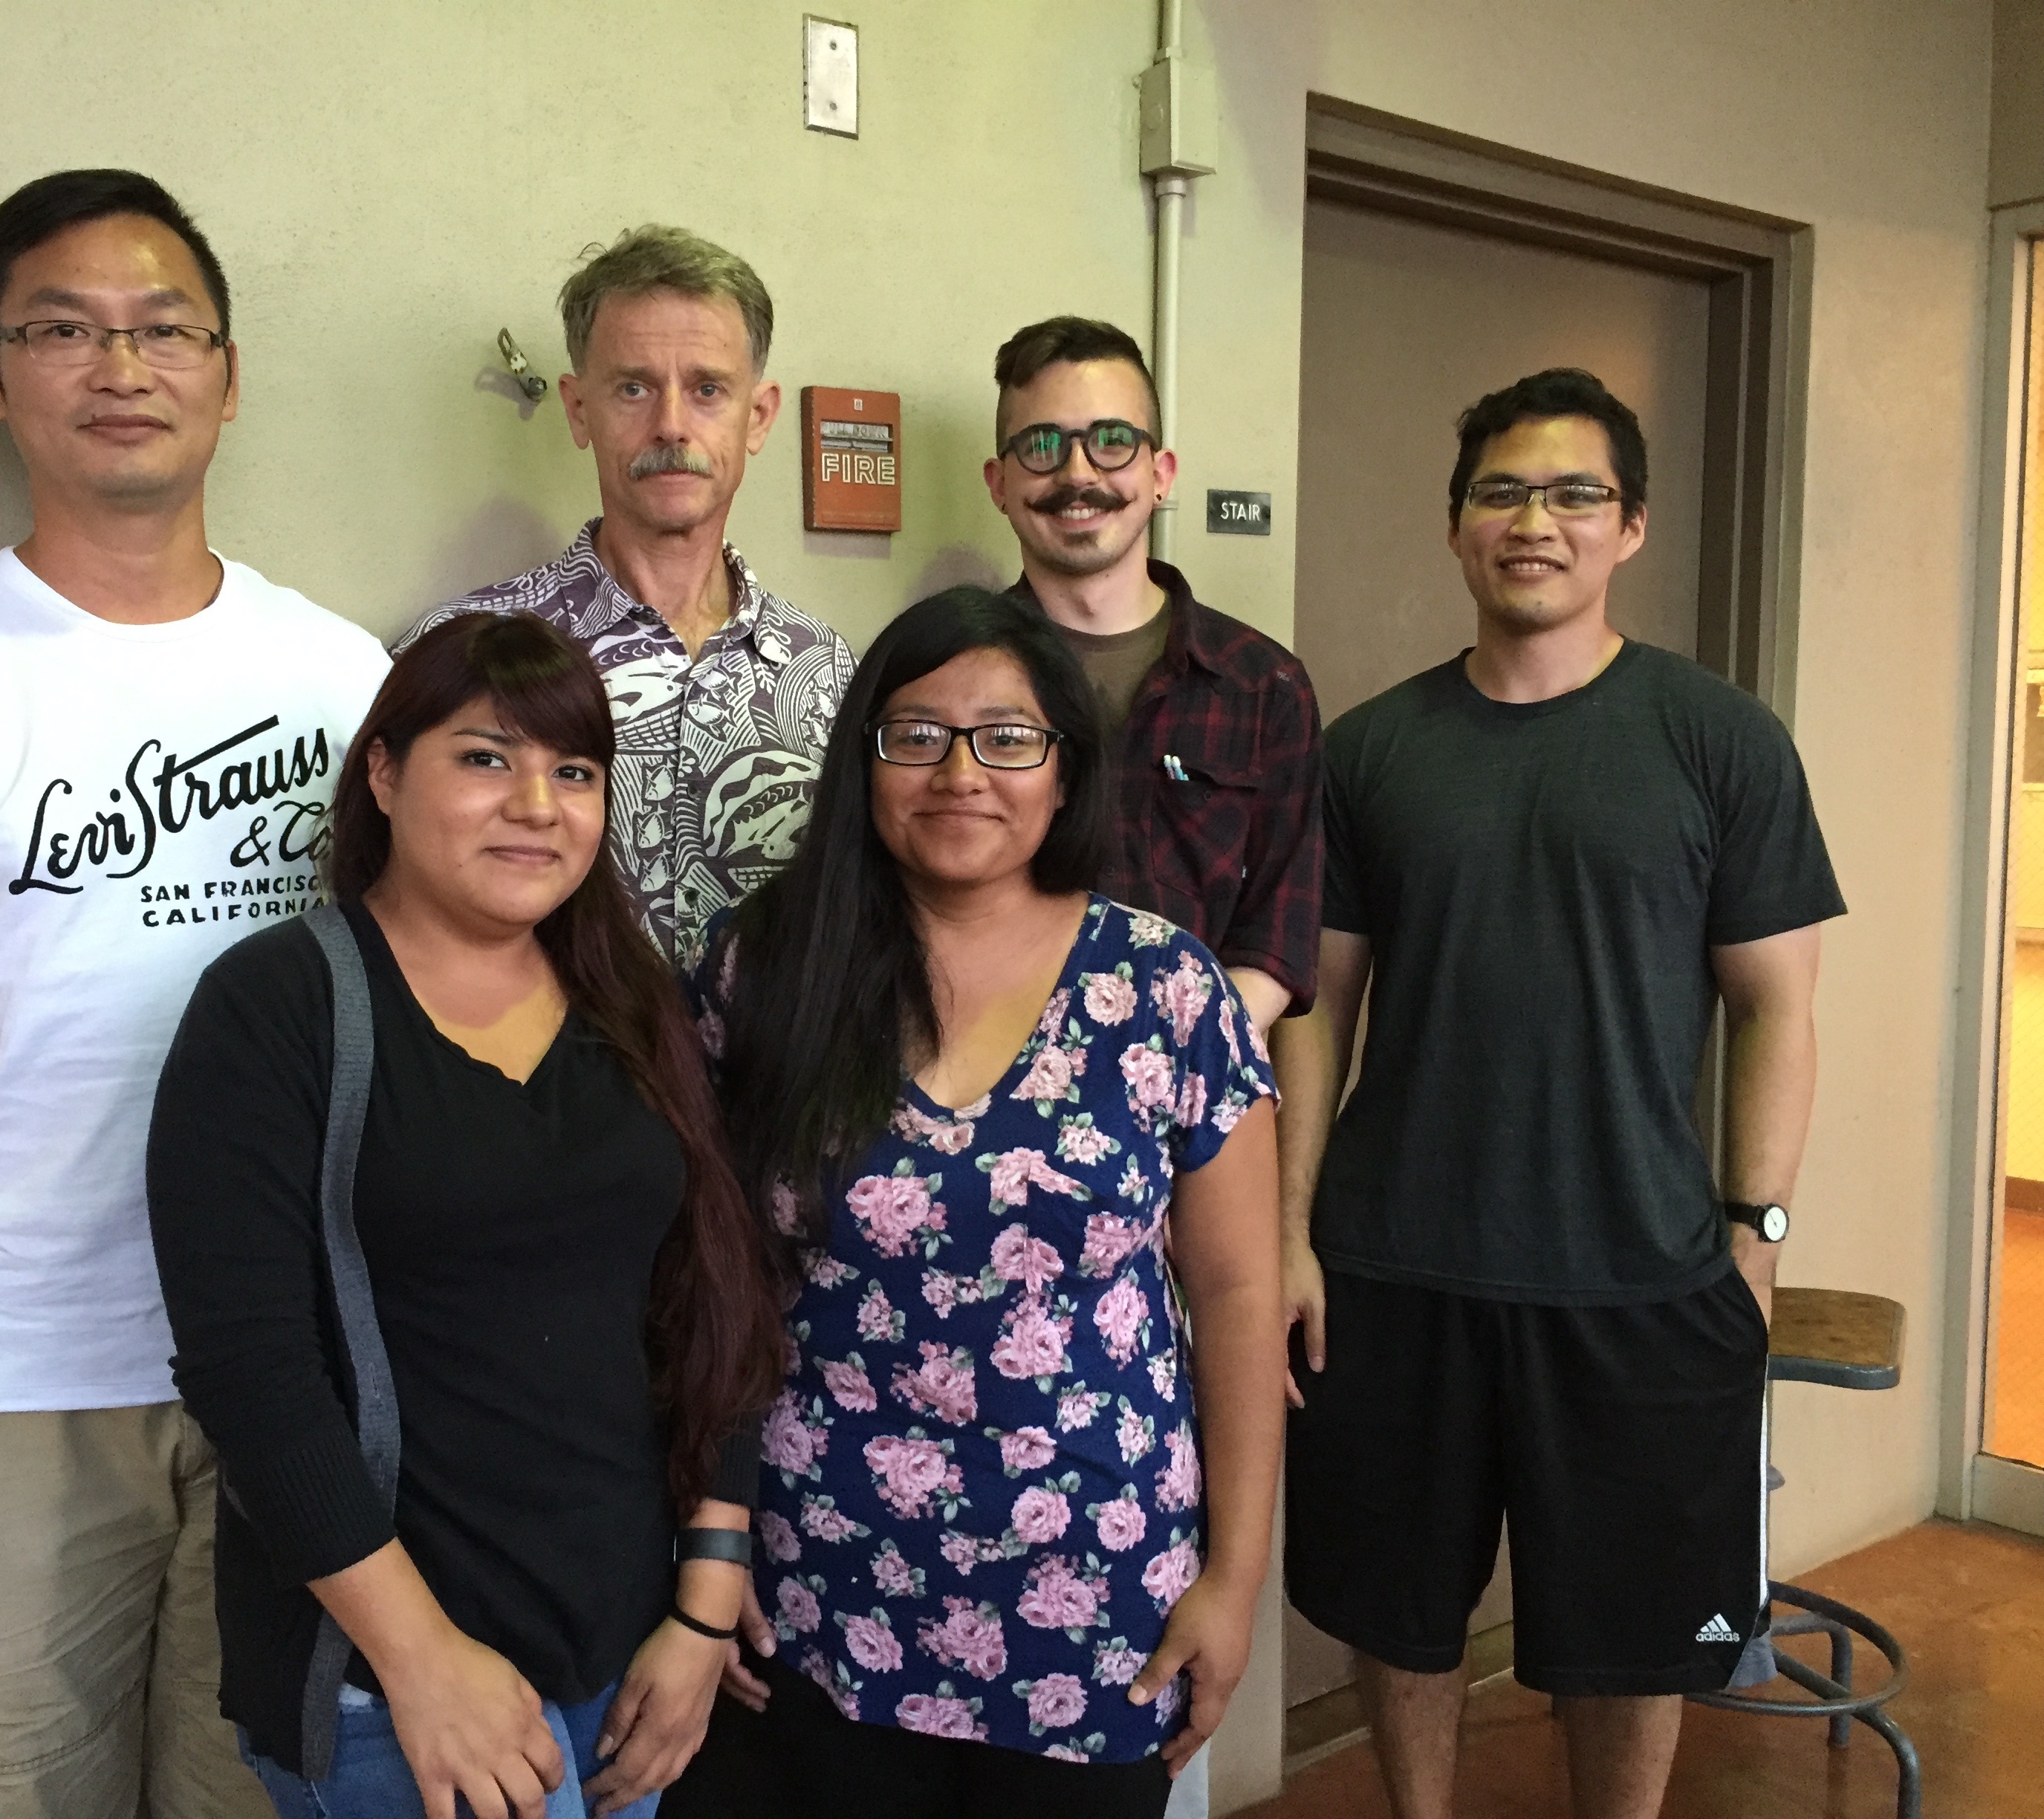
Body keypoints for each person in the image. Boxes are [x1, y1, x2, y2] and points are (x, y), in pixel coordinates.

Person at [0, 169, 390, 1816]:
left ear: (228, 375)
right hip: (8, 1389)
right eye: (64, 329)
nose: (123, 366)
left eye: (165, 327)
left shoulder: (343, 681)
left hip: (292, 1377)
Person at [1276, 369, 1845, 1819]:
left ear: (1631, 525)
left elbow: (1780, 1007)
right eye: (1502, 492)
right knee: (1395, 1613)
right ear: (1459, 527)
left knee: (1636, 1631)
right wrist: (1290, 1234)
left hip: (1642, 1277)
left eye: (1575, 492)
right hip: (1397, 1268)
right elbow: (1315, 1011)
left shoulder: (1719, 742)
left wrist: (1753, 1244)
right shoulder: (1373, 751)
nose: (1536, 521)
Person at [145, 610, 787, 1819]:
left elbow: (715, 1297)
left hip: (625, 1651)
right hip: (392, 1679)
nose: (536, 802)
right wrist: (418, 1657)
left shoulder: (628, 1001)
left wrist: (704, 1599)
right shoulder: (278, 1005)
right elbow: (249, 1373)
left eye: (573, 770)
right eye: (485, 757)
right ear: (383, 774)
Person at [681, 587, 1288, 1818]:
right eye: (915, 735)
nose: (959, 771)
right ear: (864, 762)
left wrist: (1231, 1578)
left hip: (1090, 1595)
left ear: (1063, 769)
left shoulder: (1161, 985)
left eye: (1005, 737)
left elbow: (1234, 1291)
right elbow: (706, 1268)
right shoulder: (768, 965)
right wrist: (711, 1531)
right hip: (815, 1581)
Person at [394, 224, 854, 966]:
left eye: (708, 390)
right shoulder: (462, 653)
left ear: (759, 416)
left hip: (772, 1084)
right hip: (541, 1079)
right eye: (633, 388)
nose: (671, 425)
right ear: (579, 410)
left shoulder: (827, 673)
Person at [986, 317, 1321, 1033]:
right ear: (1000, 482)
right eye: (1042, 446)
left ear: (1160, 473)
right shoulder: (951, 678)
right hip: (993, 1095)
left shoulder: (1265, 687)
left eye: (1112, 442)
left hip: (1195, 1103)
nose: (1078, 473)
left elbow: (1279, 940)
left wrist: (1168, 1057)